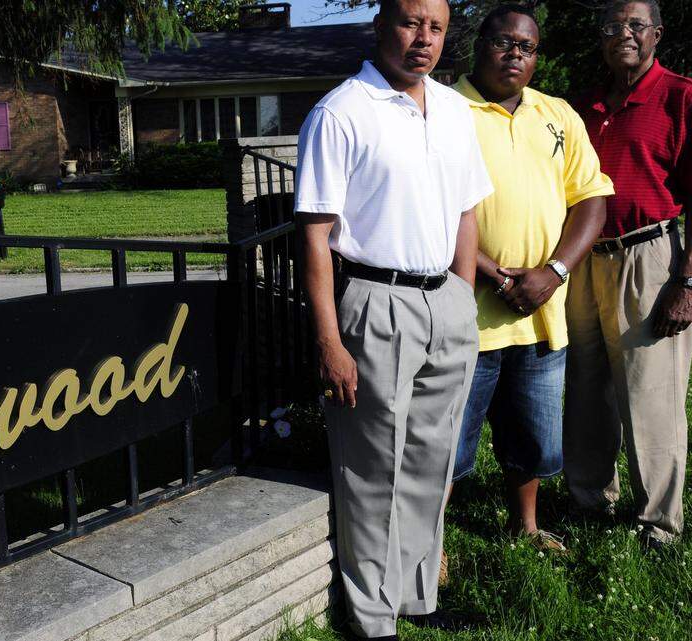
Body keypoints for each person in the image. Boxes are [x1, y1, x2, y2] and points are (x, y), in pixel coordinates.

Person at [294, 0, 493, 637]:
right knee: (373, 468)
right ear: (380, 27)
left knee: (431, 462)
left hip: (446, 305)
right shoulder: (342, 111)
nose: (423, 40)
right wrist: (329, 338)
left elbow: (467, 210)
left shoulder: (456, 110)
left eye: (435, 27)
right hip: (375, 303)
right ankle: (372, 620)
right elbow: (315, 235)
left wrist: (461, 295)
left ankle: (414, 597)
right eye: (410, 23)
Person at [443, 3, 612, 569]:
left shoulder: (557, 113)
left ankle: (527, 526)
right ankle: (430, 543)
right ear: (478, 45)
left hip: (542, 313)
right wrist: (488, 270)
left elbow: (591, 197)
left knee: (534, 441)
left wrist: (554, 273)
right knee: (446, 447)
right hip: (466, 314)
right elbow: (427, 208)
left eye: (527, 46)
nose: (515, 54)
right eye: (502, 42)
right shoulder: (443, 111)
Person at [566, 0, 692, 549]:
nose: (623, 34)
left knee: (650, 393)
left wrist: (689, 280)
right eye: (612, 26)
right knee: (585, 388)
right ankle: (587, 498)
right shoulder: (584, 105)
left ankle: (658, 523)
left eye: (635, 25)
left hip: (647, 256)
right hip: (584, 259)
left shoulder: (681, 95)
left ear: (657, 33)